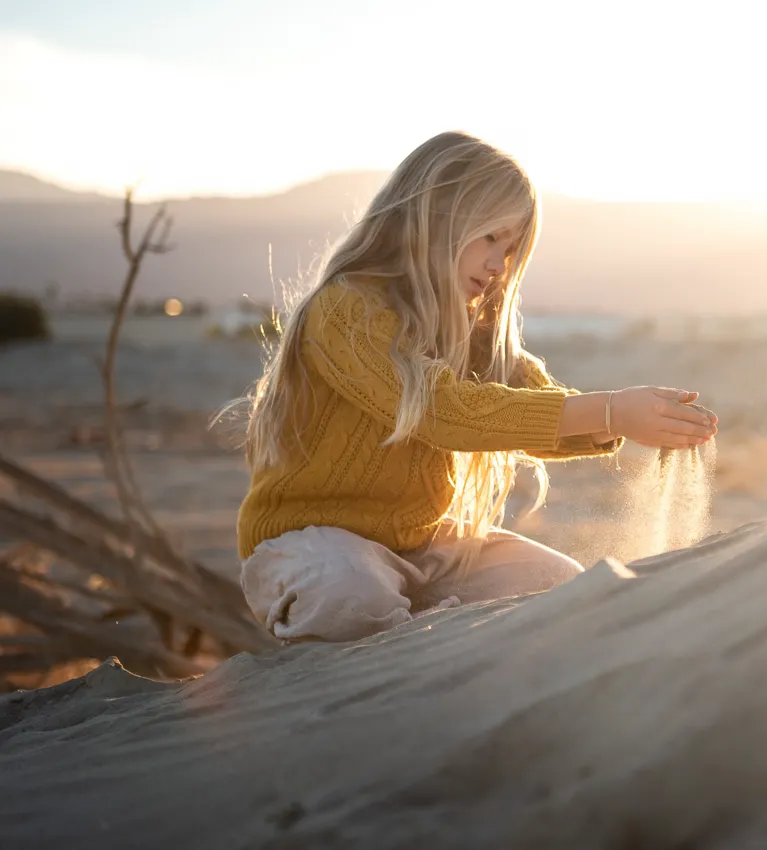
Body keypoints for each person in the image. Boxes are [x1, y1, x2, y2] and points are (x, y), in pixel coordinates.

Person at [228, 131, 718, 643]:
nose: (499, 265)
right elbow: (440, 411)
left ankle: (429, 640)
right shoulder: (346, 309)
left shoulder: (470, 329)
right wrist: (611, 410)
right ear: (432, 217)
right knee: (350, 594)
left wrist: (635, 419)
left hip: (425, 547)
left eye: (510, 250)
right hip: (310, 545)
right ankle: (406, 648)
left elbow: (537, 408)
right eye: (490, 238)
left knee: (560, 585)